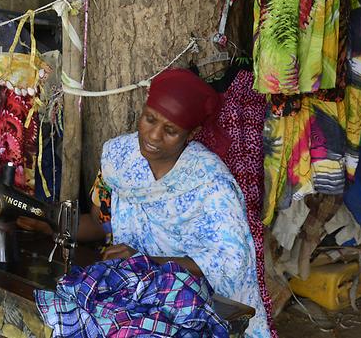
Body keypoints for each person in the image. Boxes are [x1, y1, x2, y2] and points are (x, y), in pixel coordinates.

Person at [21, 68, 272, 338]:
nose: (153, 136)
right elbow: (99, 223)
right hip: (136, 291)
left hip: (194, 304)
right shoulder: (120, 159)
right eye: (149, 119)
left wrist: (147, 261)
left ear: (191, 133)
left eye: (171, 131)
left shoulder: (211, 184)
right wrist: (47, 227)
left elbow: (228, 262)